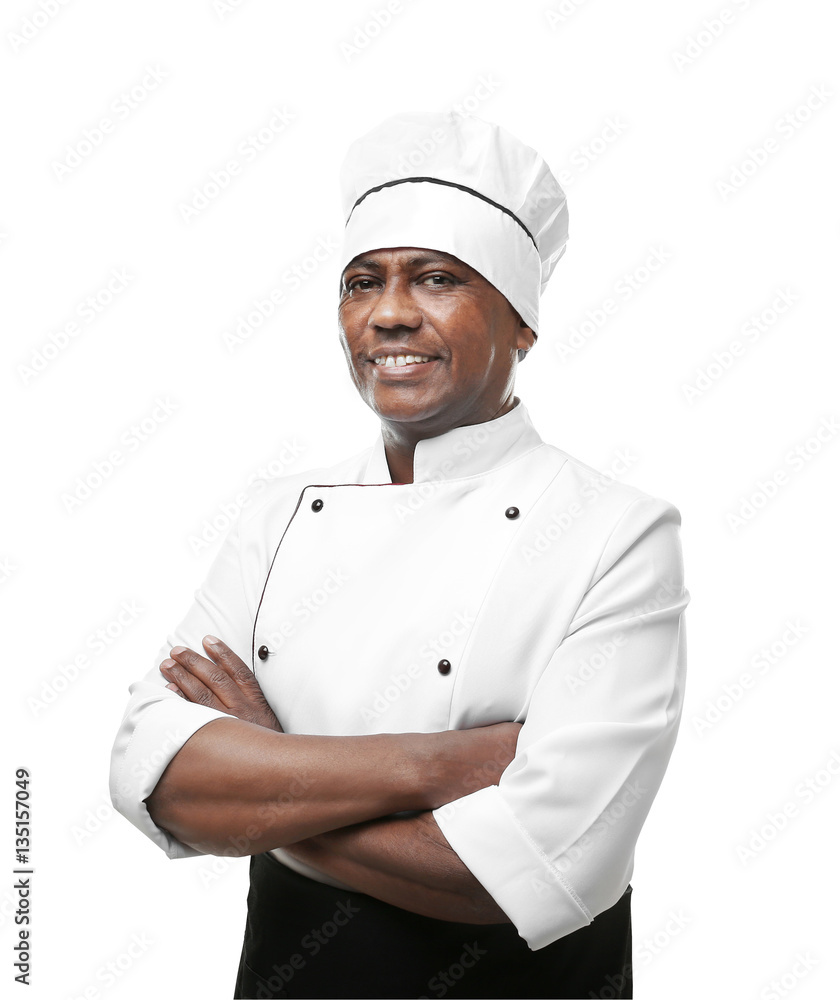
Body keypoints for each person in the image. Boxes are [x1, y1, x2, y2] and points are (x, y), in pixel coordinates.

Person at [109, 111, 689, 999]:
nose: (386, 314)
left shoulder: (616, 532)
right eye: (360, 283)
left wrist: (265, 775)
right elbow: (151, 768)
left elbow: (537, 868)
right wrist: (436, 766)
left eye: (436, 278)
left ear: (522, 324)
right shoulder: (277, 515)